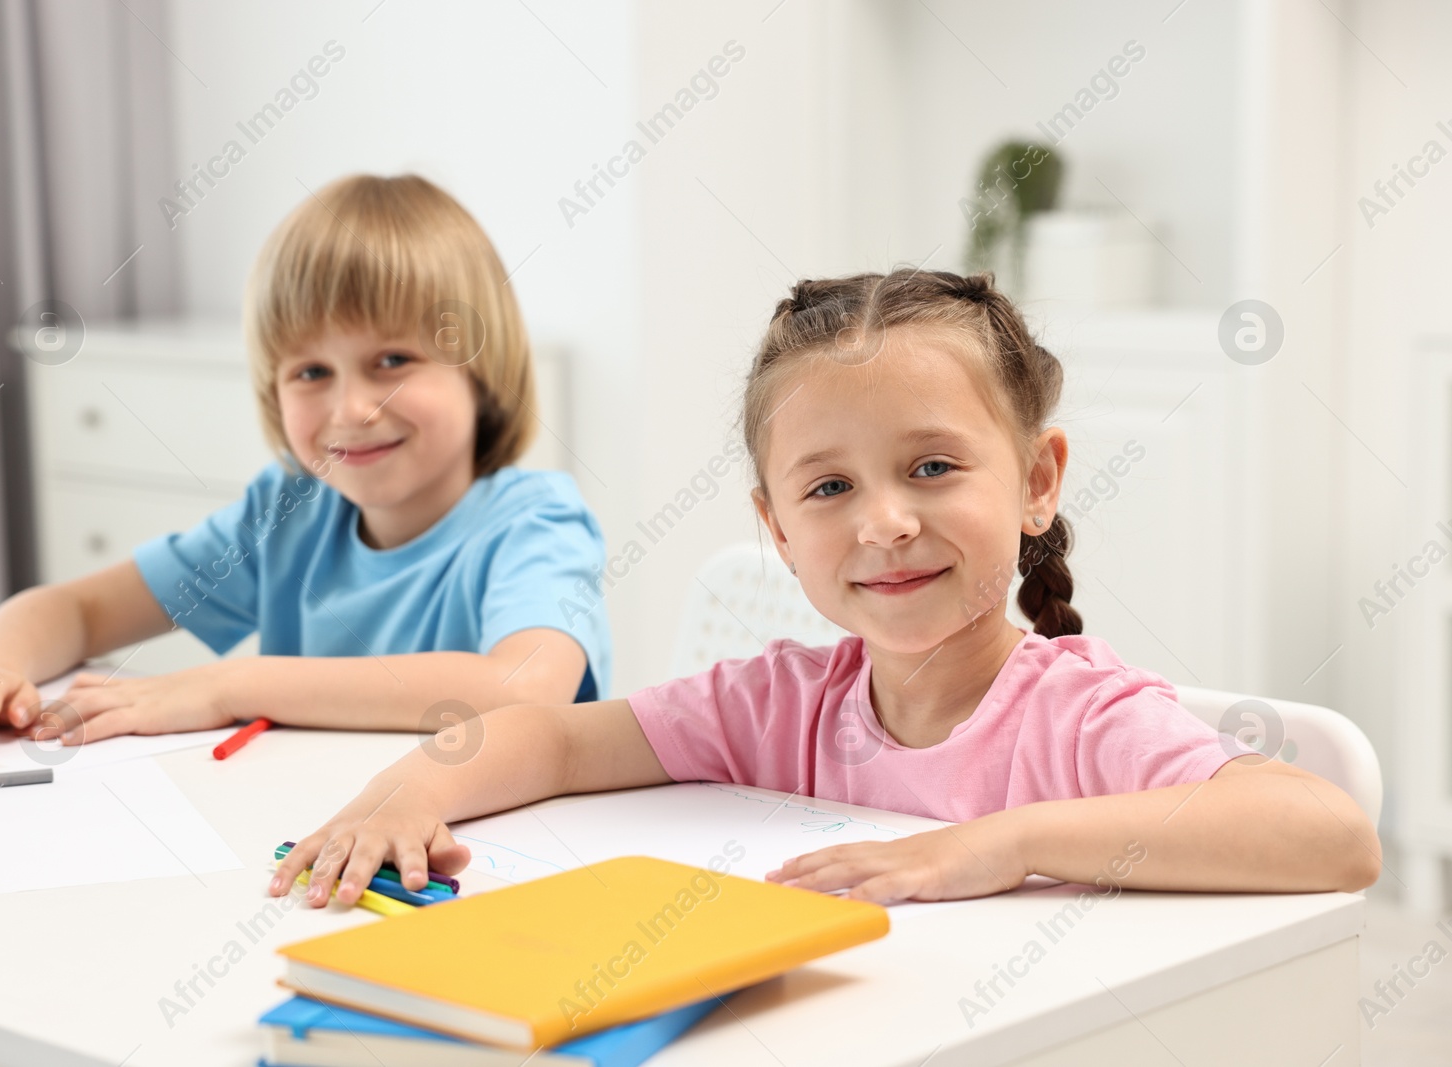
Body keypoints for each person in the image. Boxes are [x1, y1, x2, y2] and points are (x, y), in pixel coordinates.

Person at [270, 268, 1379, 908]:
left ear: (1037, 480)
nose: (883, 521)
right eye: (830, 485)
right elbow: (554, 740)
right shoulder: (778, 700)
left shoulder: (1079, 714)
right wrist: (415, 790)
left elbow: (1330, 835)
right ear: (776, 527)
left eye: (932, 467)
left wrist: (1002, 840)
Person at [0, 174, 610, 759]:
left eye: (393, 360)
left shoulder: (536, 520)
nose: (351, 407)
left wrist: (231, 684)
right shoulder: (287, 513)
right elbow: (76, 610)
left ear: (480, 368)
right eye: (311, 371)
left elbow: (523, 689)